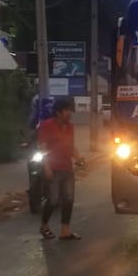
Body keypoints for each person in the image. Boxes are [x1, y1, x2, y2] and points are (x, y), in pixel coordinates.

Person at [36, 99, 85, 241]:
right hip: (53, 168)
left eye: (70, 110)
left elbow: (71, 146)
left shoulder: (70, 127)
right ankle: (44, 226)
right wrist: (47, 168)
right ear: (58, 112)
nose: (69, 113)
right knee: (52, 200)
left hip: (67, 168)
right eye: (67, 110)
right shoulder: (46, 126)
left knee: (69, 199)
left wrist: (79, 158)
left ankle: (65, 230)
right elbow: (43, 149)